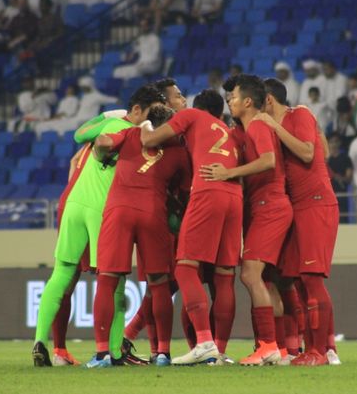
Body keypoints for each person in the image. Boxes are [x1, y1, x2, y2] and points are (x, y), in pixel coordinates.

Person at [33, 85, 166, 367]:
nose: (152, 119)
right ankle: (113, 351)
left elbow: (80, 134)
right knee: (112, 280)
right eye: (150, 112)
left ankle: (39, 341)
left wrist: (105, 116)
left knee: (61, 274)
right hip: (101, 209)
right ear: (138, 110)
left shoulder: (108, 126)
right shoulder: (133, 131)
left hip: (74, 204)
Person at [140, 89, 242, 366]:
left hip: (208, 191)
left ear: (197, 107)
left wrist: (143, 122)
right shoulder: (228, 130)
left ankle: (205, 342)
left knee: (184, 267)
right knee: (224, 276)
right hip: (235, 196)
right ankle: (219, 351)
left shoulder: (191, 116)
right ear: (220, 112)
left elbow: (149, 140)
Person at [201, 75, 293, 366]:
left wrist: (229, 173)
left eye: (234, 97)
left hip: (270, 207)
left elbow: (268, 160)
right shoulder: (245, 129)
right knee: (267, 281)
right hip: (265, 206)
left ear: (248, 102)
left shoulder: (258, 124)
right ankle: (277, 349)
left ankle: (267, 346)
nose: (229, 100)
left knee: (250, 275)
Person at [92, 105, 191, 367]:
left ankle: (102, 353)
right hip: (153, 212)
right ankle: (163, 353)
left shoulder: (131, 133)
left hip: (119, 211)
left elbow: (102, 141)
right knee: (159, 283)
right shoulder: (179, 151)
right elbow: (184, 193)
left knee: (107, 279)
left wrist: (102, 156)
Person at [258, 78, 341, 366]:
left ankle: (320, 351)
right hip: (298, 208)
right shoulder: (280, 128)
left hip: (317, 203)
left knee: (311, 279)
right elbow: (323, 150)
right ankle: (321, 348)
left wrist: (276, 128)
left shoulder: (298, 115)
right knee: (300, 283)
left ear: (269, 100)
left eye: (259, 102)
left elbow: (309, 152)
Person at [34, 76, 117, 136]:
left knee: (68, 125)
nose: (83, 89)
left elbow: (112, 100)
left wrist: (118, 101)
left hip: (88, 120)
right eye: (82, 87)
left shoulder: (97, 96)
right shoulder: (84, 96)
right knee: (60, 124)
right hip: (77, 118)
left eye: (85, 87)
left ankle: (63, 139)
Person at [327, 132, 353, 223]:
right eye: (331, 142)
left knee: (343, 222)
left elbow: (349, 178)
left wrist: (339, 178)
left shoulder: (346, 158)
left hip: (341, 197)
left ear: (339, 143)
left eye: (335, 141)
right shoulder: (325, 160)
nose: (333, 144)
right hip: (328, 198)